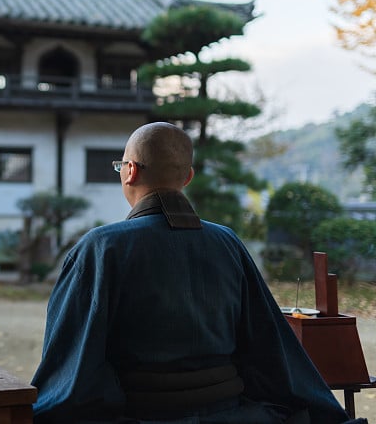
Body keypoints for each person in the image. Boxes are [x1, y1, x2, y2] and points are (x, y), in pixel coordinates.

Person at [31, 122, 364, 423]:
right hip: (234, 415)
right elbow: (270, 349)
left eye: (121, 166)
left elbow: (70, 370)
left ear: (130, 171)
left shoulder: (101, 247)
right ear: (187, 177)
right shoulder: (227, 242)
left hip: (138, 416)